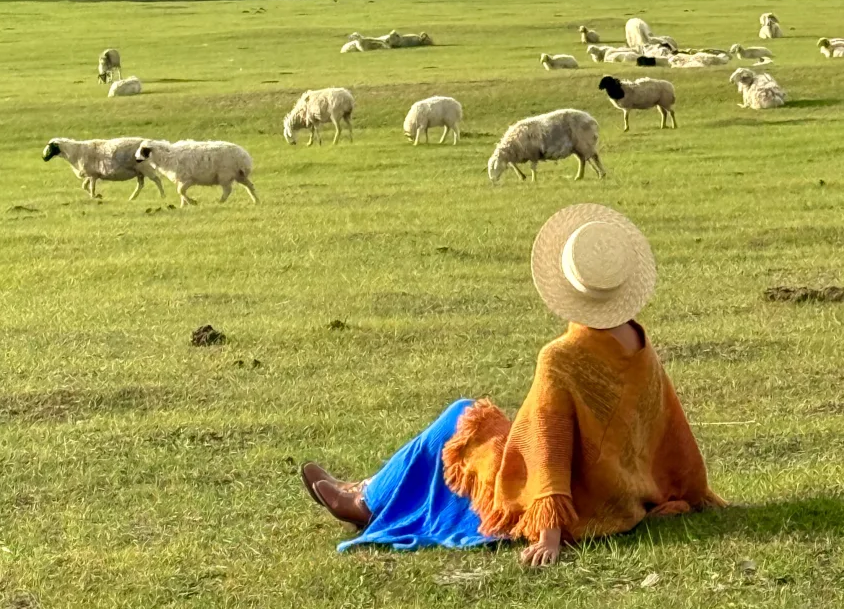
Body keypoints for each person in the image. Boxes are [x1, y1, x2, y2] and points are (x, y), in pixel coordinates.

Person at [301, 203, 723, 564]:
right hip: (620, 490)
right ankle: (365, 489)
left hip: (578, 498)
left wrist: (549, 531)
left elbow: (548, 443)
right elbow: (667, 428)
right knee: (470, 418)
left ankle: (366, 500)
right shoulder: (638, 342)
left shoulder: (561, 356)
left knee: (462, 418)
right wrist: (692, 489)